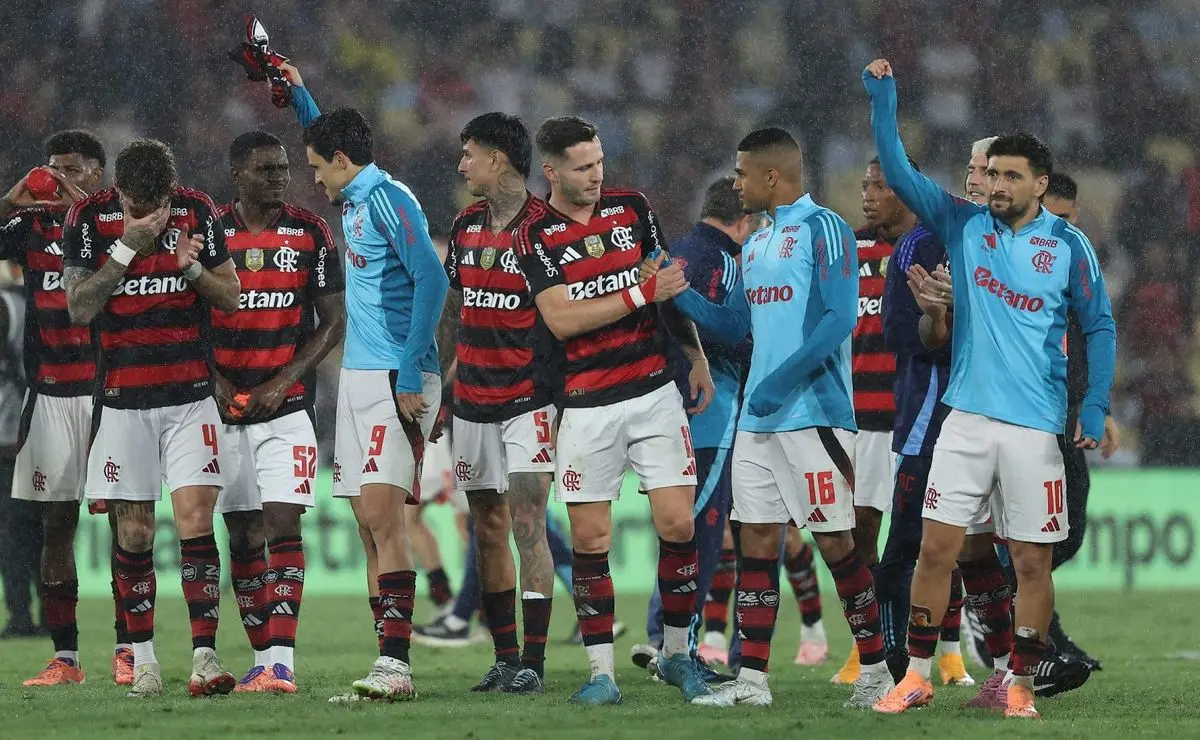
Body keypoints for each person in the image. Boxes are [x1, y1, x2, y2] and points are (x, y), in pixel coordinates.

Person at [864, 59, 1116, 719]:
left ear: (1039, 184)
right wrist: (884, 100)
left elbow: (1100, 325)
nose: (995, 185)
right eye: (991, 173)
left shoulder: (1068, 246)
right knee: (936, 549)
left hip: (1034, 429)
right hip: (965, 420)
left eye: (1009, 176)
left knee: (1031, 562)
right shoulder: (961, 226)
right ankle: (916, 676)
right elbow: (900, 173)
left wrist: (1094, 406)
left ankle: (1019, 684)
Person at [665, 127, 890, 709]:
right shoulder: (758, 242)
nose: (736, 183)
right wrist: (677, 292)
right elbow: (732, 324)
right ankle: (753, 682)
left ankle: (877, 672)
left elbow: (839, 318)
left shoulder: (825, 228)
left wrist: (780, 383)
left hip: (815, 416)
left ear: (772, 175)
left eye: (742, 173)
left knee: (837, 543)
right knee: (757, 543)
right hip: (758, 421)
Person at [513, 115, 714, 706]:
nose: (596, 175)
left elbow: (667, 286)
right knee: (590, 537)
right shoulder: (534, 236)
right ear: (551, 172)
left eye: (599, 162)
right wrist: (639, 292)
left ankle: (677, 655)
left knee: (678, 524)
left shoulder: (633, 209)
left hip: (653, 393)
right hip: (585, 403)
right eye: (583, 167)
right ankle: (602, 674)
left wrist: (693, 353)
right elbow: (562, 319)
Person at [286, 62, 448, 703]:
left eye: (318, 167)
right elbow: (325, 138)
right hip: (358, 377)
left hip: (395, 376)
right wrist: (298, 94)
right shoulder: (355, 196)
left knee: (384, 519)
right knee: (364, 524)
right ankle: (387, 659)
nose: (313, 177)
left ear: (343, 161)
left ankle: (397, 666)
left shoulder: (388, 199)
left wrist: (409, 369)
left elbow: (432, 278)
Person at [62, 138, 242, 698]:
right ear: (118, 191)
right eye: (139, 206)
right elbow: (78, 307)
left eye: (158, 204)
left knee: (196, 521)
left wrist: (192, 270)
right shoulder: (89, 218)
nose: (152, 214)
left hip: (190, 398)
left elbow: (231, 297)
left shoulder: (197, 210)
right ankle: (143, 662)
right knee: (136, 532)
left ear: (171, 190)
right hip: (122, 400)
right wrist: (127, 248)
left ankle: (205, 657)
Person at [207, 130, 346, 694]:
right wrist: (214, 379)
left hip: (287, 408)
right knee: (241, 535)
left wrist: (284, 379)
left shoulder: (311, 232)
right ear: (237, 174)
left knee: (282, 524)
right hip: (221, 409)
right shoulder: (208, 231)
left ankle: (281, 662)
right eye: (266, 170)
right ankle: (260, 658)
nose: (279, 179)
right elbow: (185, 316)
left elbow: (333, 321)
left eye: (284, 169)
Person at [0, 131, 139, 685]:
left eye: (73, 169)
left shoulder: (116, 223)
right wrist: (11, 201)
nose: (59, 177)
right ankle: (66, 658)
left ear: (98, 174)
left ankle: (130, 650)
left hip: (112, 392)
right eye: (53, 167)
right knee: (56, 526)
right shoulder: (30, 226)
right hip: (51, 392)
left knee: (129, 524)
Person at [437, 112, 559, 695]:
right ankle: (505, 658)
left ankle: (534, 660)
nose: (462, 165)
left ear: (498, 159)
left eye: (469, 154)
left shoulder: (545, 229)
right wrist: (437, 387)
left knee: (528, 524)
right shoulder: (464, 226)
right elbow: (453, 311)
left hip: (528, 400)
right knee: (486, 528)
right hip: (470, 401)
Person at [844, 155, 974, 688]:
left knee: (939, 540)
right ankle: (868, 651)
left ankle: (950, 652)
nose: (867, 195)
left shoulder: (935, 245)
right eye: (864, 185)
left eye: (879, 186)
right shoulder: (848, 249)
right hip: (859, 414)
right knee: (861, 538)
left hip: (911, 409)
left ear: (906, 191)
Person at [628, 176, 753, 680]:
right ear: (745, 220)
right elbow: (725, 333)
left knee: (684, 526)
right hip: (710, 406)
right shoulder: (724, 260)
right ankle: (674, 642)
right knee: (702, 529)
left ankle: (666, 635)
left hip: (669, 403)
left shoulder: (677, 251)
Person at [1033, 172, 1119, 670]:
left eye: (1068, 217)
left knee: (1068, 533)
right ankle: (1024, 625)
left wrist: (1096, 407)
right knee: (1041, 535)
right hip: (1034, 413)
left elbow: (1092, 334)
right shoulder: (1028, 262)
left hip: (1070, 412)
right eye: (1054, 216)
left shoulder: (1077, 257)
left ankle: (1020, 610)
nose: (1061, 227)